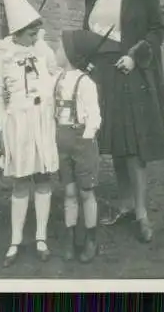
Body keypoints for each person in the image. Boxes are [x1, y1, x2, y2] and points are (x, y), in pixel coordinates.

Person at [82, 0, 164, 243]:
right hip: (102, 73)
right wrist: (87, 60)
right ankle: (125, 205)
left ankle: (142, 213)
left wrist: (135, 56)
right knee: (115, 142)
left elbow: (157, 30)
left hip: (130, 69)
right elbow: (87, 30)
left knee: (133, 145)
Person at [0, 0, 59, 268]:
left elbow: (56, 80)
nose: (36, 38)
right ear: (17, 31)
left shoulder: (43, 51)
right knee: (21, 182)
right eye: (31, 34)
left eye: (37, 33)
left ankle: (41, 235)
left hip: (43, 121)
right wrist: (0, 130)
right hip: (16, 123)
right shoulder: (1, 57)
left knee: (43, 177)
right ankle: (15, 239)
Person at [53, 30, 103, 263]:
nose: (54, 52)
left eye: (58, 48)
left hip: (81, 142)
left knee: (85, 192)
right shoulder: (57, 79)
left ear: (69, 54)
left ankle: (91, 238)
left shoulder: (86, 83)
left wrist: (86, 137)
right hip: (61, 142)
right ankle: (71, 236)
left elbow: (95, 117)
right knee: (69, 192)